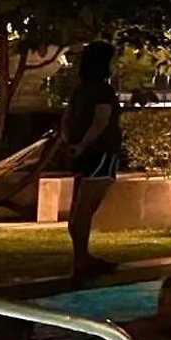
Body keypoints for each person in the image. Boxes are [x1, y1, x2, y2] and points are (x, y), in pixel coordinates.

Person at [61, 41, 125, 277]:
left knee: (79, 210)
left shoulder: (80, 90)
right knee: (85, 209)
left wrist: (72, 145)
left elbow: (66, 120)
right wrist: (83, 145)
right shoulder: (103, 91)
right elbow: (101, 120)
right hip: (101, 154)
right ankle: (81, 261)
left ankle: (82, 257)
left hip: (82, 155)